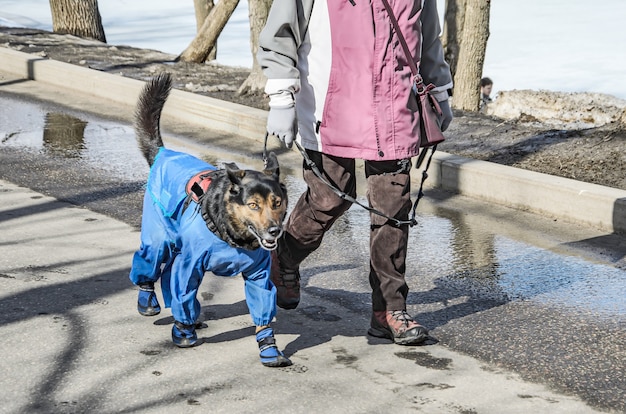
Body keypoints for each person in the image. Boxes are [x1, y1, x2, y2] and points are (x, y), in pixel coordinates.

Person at [257, 0, 453, 345]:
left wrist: (438, 90)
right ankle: (285, 256)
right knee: (329, 198)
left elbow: (428, 36)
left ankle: (389, 310)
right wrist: (281, 97)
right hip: (330, 106)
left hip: (395, 108)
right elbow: (281, 32)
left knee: (393, 211)